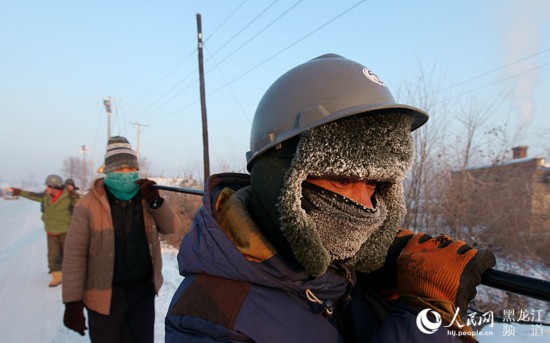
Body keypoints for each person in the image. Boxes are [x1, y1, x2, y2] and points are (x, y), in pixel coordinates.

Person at [165, 54, 496, 342]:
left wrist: (385, 286)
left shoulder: (341, 272)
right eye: (342, 179)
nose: (366, 208)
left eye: (376, 186)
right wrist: (425, 318)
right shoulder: (209, 317)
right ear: (279, 179)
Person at [62, 136, 180, 342]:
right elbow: (74, 255)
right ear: (108, 171)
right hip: (104, 295)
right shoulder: (88, 204)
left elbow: (171, 228)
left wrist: (156, 202)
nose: (126, 175)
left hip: (142, 292)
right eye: (119, 170)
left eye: (130, 169)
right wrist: (72, 302)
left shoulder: (145, 196)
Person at [11, 174, 76, 287]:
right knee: (53, 255)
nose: (46, 188)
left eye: (48, 186)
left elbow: (82, 204)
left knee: (69, 255)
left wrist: (74, 195)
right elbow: (33, 195)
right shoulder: (46, 196)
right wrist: (20, 192)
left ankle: (72, 276)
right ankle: (57, 277)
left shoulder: (69, 197)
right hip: (51, 231)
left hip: (67, 231)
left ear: (54, 187)